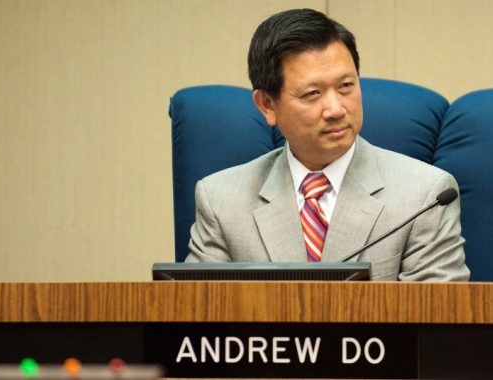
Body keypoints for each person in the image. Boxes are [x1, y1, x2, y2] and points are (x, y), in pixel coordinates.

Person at [186, 8, 470, 281]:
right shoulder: (221, 201)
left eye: (346, 86)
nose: (335, 109)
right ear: (267, 104)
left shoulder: (425, 196)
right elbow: (198, 319)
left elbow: (434, 322)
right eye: (312, 93)